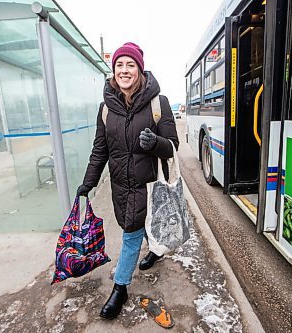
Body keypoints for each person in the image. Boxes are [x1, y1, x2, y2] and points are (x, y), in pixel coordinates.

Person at [76, 42, 179, 320]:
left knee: (131, 234)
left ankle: (119, 288)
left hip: (149, 186)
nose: (124, 70)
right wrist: (89, 182)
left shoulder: (159, 103)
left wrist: (155, 142)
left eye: (130, 65)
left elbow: (172, 146)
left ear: (139, 70)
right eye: (119, 65)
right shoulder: (105, 108)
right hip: (121, 186)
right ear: (113, 71)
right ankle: (156, 250)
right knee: (138, 224)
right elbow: (100, 150)